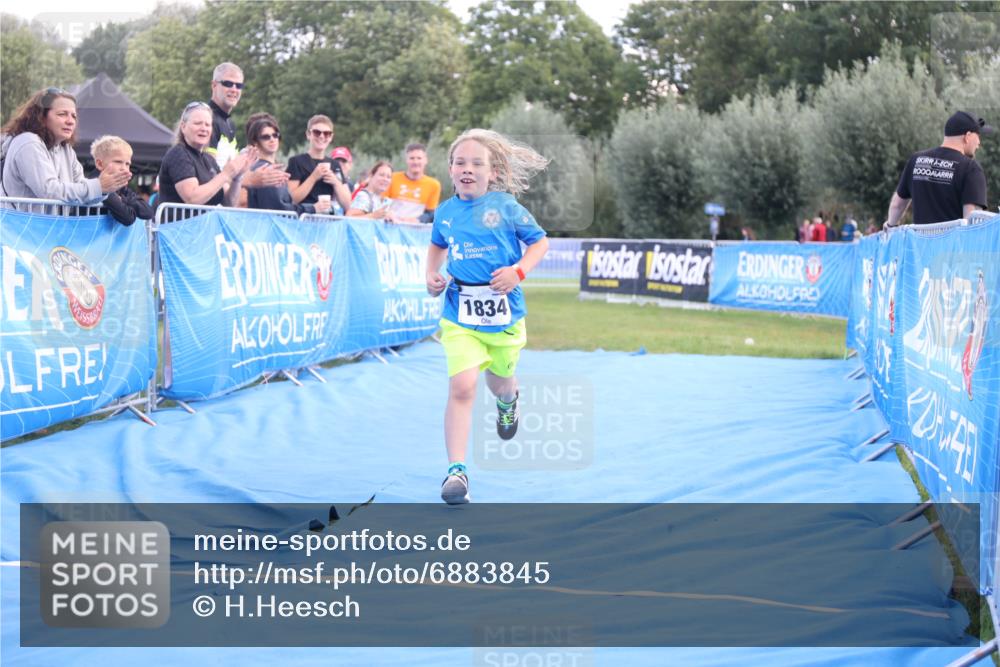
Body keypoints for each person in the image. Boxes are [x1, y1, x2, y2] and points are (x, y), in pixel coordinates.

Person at [425, 129, 550, 504]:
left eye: (476, 163)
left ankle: (508, 402)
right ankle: (456, 472)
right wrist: (431, 275)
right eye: (460, 162)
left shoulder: (506, 207)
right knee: (462, 386)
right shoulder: (446, 212)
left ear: (492, 171)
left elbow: (540, 243)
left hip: (504, 314)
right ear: (450, 169)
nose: (467, 169)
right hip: (459, 312)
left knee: (500, 383)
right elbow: (436, 245)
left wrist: (518, 272)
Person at [0, 87, 129, 204]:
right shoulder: (28, 142)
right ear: (41, 117)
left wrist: (105, 189)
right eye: (62, 114)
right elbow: (49, 191)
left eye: (74, 116)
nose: (70, 121)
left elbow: (81, 189)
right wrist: (98, 186)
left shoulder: (66, 149)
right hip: (20, 228)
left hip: (47, 228)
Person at [886, 111, 993, 227]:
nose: (979, 143)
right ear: (967, 136)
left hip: (920, 244)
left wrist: (890, 225)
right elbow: (971, 221)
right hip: (952, 245)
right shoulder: (971, 169)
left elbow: (897, 205)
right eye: (978, 136)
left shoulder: (916, 160)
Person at [157, 101, 254, 209]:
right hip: (180, 225)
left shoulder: (209, 160)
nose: (204, 128)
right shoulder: (178, 154)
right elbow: (192, 198)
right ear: (183, 127)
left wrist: (237, 176)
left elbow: (230, 202)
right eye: (198, 123)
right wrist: (226, 174)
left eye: (208, 124)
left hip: (204, 225)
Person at [206, 63, 286, 190]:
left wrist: (253, 169)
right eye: (228, 83)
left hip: (222, 204)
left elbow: (227, 168)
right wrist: (251, 179)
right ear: (214, 85)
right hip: (205, 207)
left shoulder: (229, 122)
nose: (234, 89)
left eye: (239, 85)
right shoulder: (206, 118)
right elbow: (206, 171)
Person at [244, 118, 330, 215]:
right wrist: (313, 208)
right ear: (255, 142)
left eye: (275, 135)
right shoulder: (265, 170)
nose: (272, 139)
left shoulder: (265, 167)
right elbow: (279, 209)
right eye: (265, 137)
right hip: (269, 226)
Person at [287, 115, 352, 215]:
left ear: (331, 137)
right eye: (317, 132)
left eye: (327, 133)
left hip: (327, 221)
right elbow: (291, 199)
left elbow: (347, 205)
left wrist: (335, 181)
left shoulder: (335, 165)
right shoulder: (296, 162)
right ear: (308, 134)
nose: (322, 136)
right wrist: (313, 177)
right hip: (303, 221)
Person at [90, 135, 153, 226]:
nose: (124, 168)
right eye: (118, 162)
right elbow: (128, 218)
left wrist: (123, 199)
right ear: (100, 164)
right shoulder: (96, 182)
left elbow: (148, 212)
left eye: (127, 164)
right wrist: (125, 202)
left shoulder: (120, 185)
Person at [388, 142, 441, 223]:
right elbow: (381, 204)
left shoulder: (434, 185)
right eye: (412, 158)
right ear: (407, 160)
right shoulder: (392, 178)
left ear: (425, 160)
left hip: (414, 230)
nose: (415, 162)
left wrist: (418, 220)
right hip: (390, 227)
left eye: (419, 158)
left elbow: (431, 213)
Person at [347, 161, 413, 222]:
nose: (385, 179)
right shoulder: (364, 196)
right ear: (371, 176)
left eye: (388, 177)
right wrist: (373, 216)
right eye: (381, 175)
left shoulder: (386, 201)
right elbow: (349, 219)